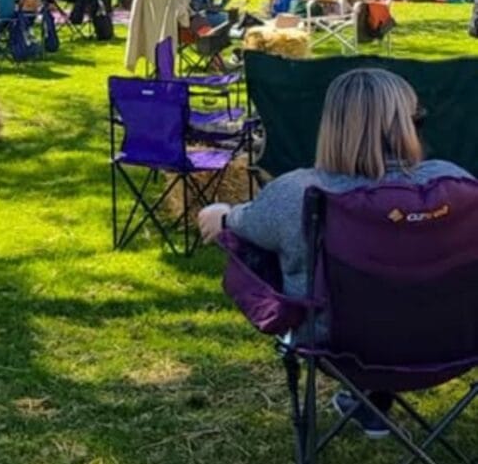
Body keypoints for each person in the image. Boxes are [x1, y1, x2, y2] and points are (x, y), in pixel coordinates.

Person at [197, 68, 473, 439]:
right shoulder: (456, 185)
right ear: (408, 128)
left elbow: (241, 224)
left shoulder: (301, 192)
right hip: (454, 342)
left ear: (332, 127)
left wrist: (219, 214)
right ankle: (371, 401)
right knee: (399, 270)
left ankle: (367, 398)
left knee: (251, 243)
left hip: (342, 348)